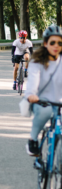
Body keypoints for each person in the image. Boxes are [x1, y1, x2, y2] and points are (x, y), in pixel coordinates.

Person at [24, 24, 62, 156]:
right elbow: (33, 81)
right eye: (52, 42)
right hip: (42, 101)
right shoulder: (37, 61)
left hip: (59, 102)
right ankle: (33, 140)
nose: (56, 46)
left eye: (59, 43)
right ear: (46, 43)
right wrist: (31, 94)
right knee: (45, 112)